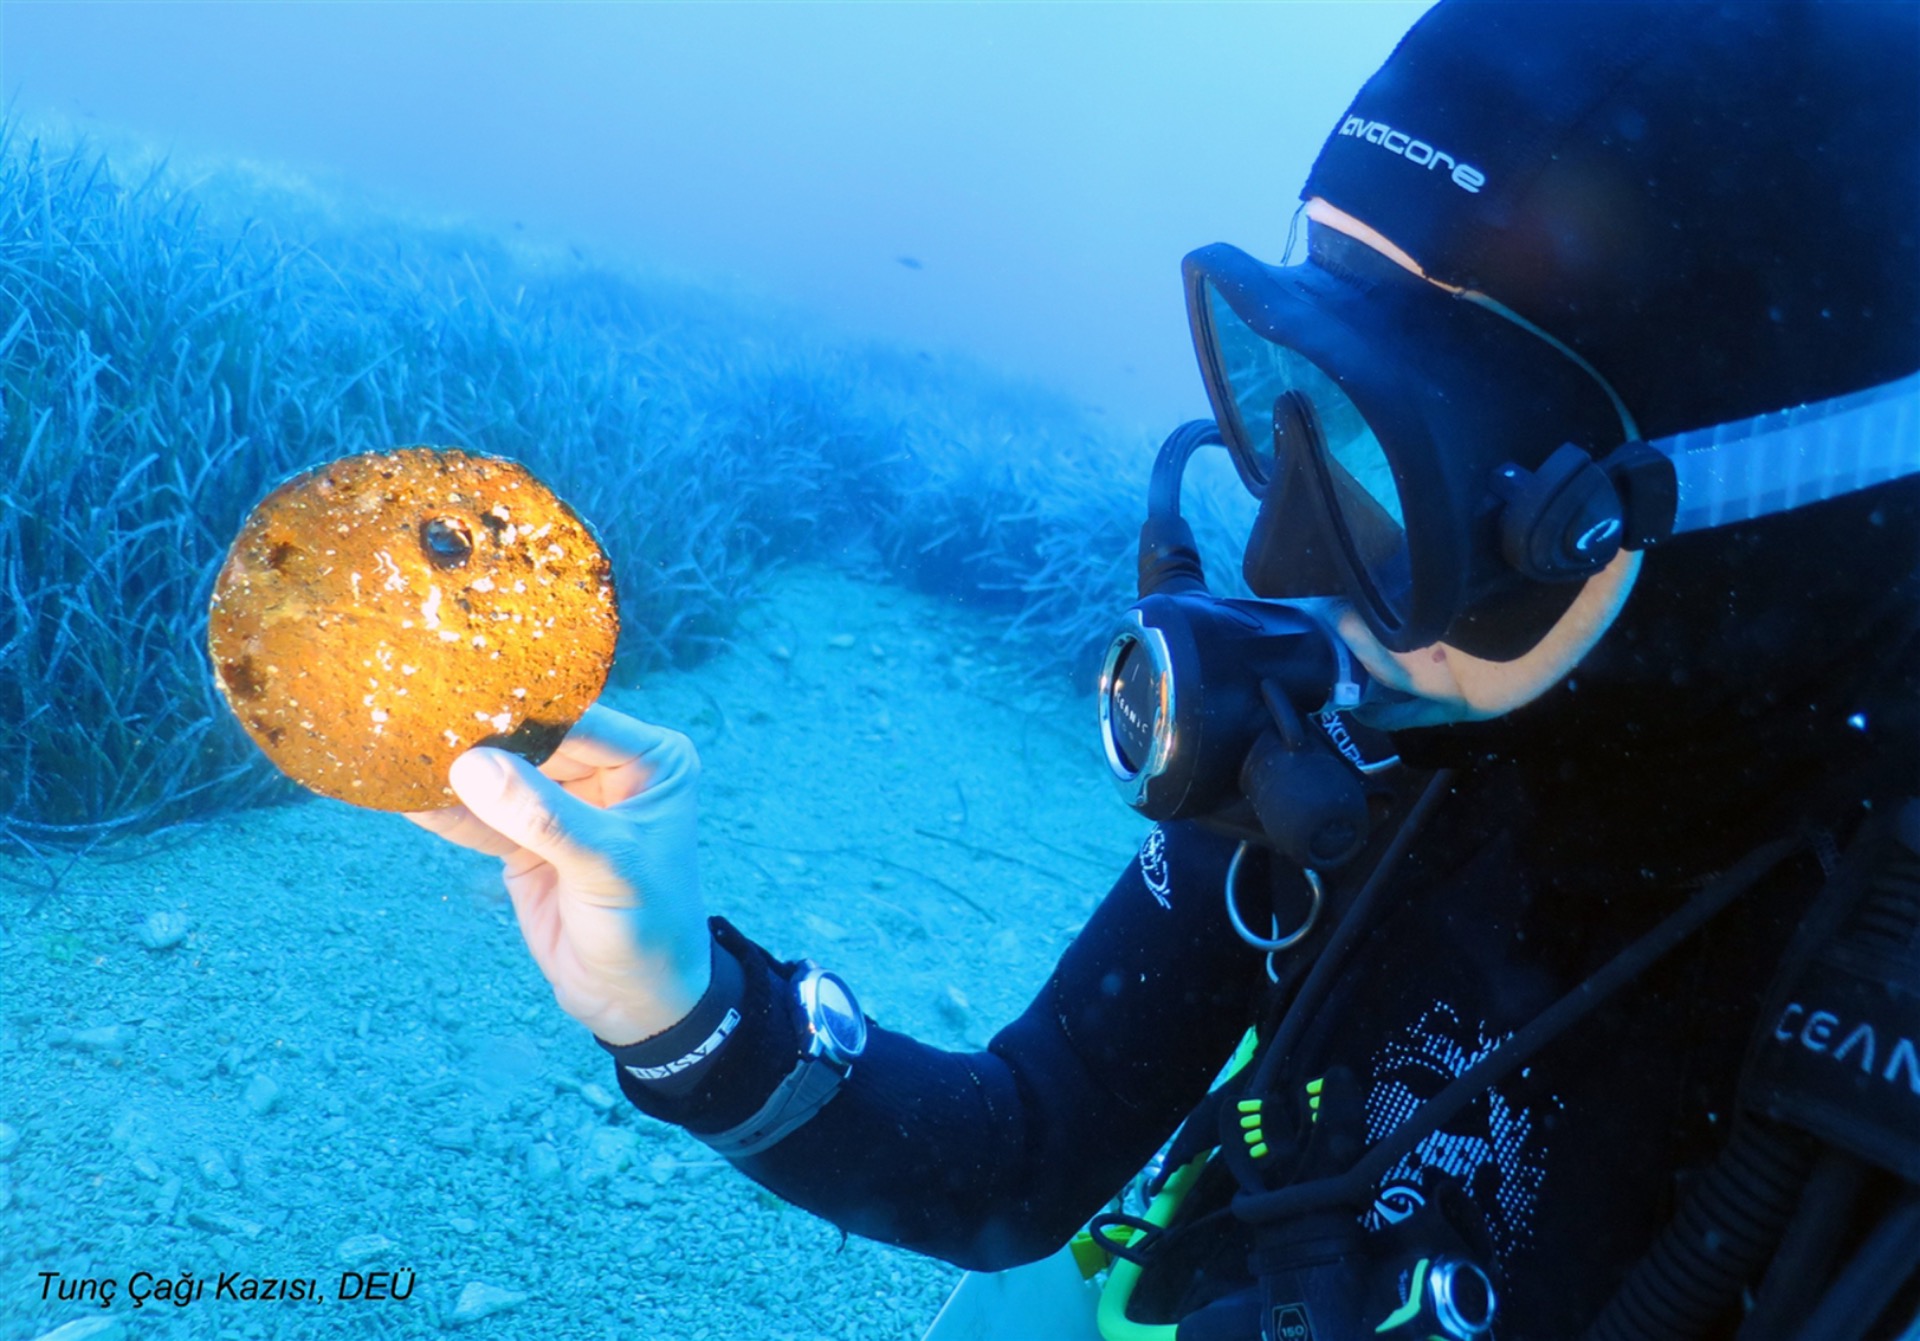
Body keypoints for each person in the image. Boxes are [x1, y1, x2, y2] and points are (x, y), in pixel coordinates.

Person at [408, 2, 1920, 1336]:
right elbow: (1021, 1150)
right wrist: (679, 1003)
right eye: (1298, 396)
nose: (1282, 562)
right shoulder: (1379, 738)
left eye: (1418, 470)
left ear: (1741, 523)